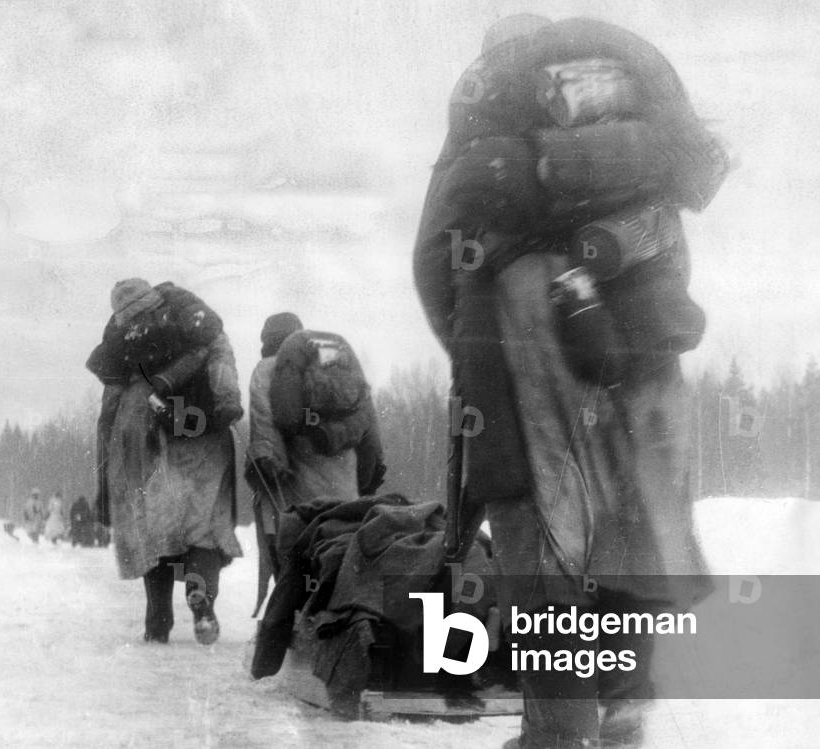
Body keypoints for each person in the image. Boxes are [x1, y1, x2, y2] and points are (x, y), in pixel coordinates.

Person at [413, 16, 720, 748]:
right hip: (639, 369)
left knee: (541, 551)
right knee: (636, 535)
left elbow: (434, 266)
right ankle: (625, 710)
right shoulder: (637, 160)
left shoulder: (485, 154)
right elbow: (674, 273)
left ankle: (554, 734)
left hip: (522, 363)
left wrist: (474, 341)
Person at [87, 278, 244, 645]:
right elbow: (222, 361)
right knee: (202, 527)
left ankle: (157, 619)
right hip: (205, 435)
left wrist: (104, 487)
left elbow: (108, 418)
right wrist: (227, 403)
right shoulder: (192, 320)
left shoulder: (122, 346)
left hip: (149, 438)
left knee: (153, 530)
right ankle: (201, 598)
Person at [244, 313, 387, 614]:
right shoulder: (334, 368)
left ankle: (297, 620)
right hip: (343, 474)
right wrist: (370, 474)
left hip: (295, 475)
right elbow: (368, 424)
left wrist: (269, 461)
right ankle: (336, 613)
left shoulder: (268, 370)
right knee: (338, 545)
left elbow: (264, 418)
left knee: (291, 550)